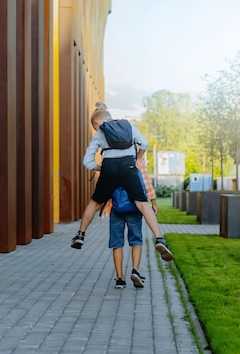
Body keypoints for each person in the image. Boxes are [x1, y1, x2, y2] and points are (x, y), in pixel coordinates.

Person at [70, 104, 173, 262]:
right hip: (128, 166)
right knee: (142, 205)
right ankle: (159, 239)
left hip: (109, 167)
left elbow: (87, 161)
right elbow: (144, 144)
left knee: (95, 202)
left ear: (97, 123)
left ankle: (80, 235)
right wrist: (137, 158)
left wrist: (99, 167)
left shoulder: (100, 133)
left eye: (94, 127)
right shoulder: (128, 126)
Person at [103, 158, 157, 289]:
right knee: (136, 239)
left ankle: (120, 279)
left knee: (117, 242)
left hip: (116, 205)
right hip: (135, 205)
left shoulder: (111, 160)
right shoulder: (137, 161)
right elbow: (146, 182)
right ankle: (135, 270)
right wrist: (153, 203)